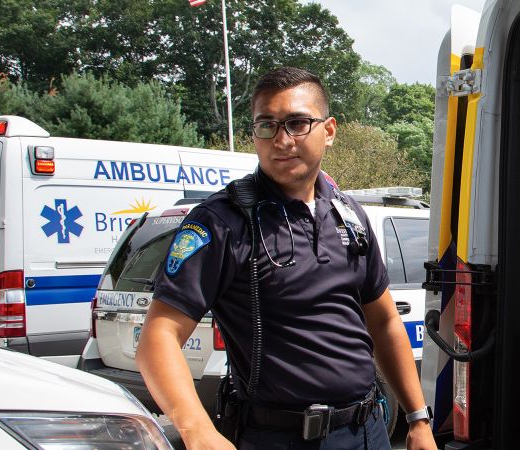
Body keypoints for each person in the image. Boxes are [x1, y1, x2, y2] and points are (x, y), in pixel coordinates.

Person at [137, 67, 436, 450]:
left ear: (328, 131)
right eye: (267, 125)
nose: (281, 140)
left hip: (366, 432)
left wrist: (417, 419)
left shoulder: (350, 216)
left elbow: (384, 321)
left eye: (297, 123)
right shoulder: (224, 221)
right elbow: (159, 335)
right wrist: (198, 431)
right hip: (275, 437)